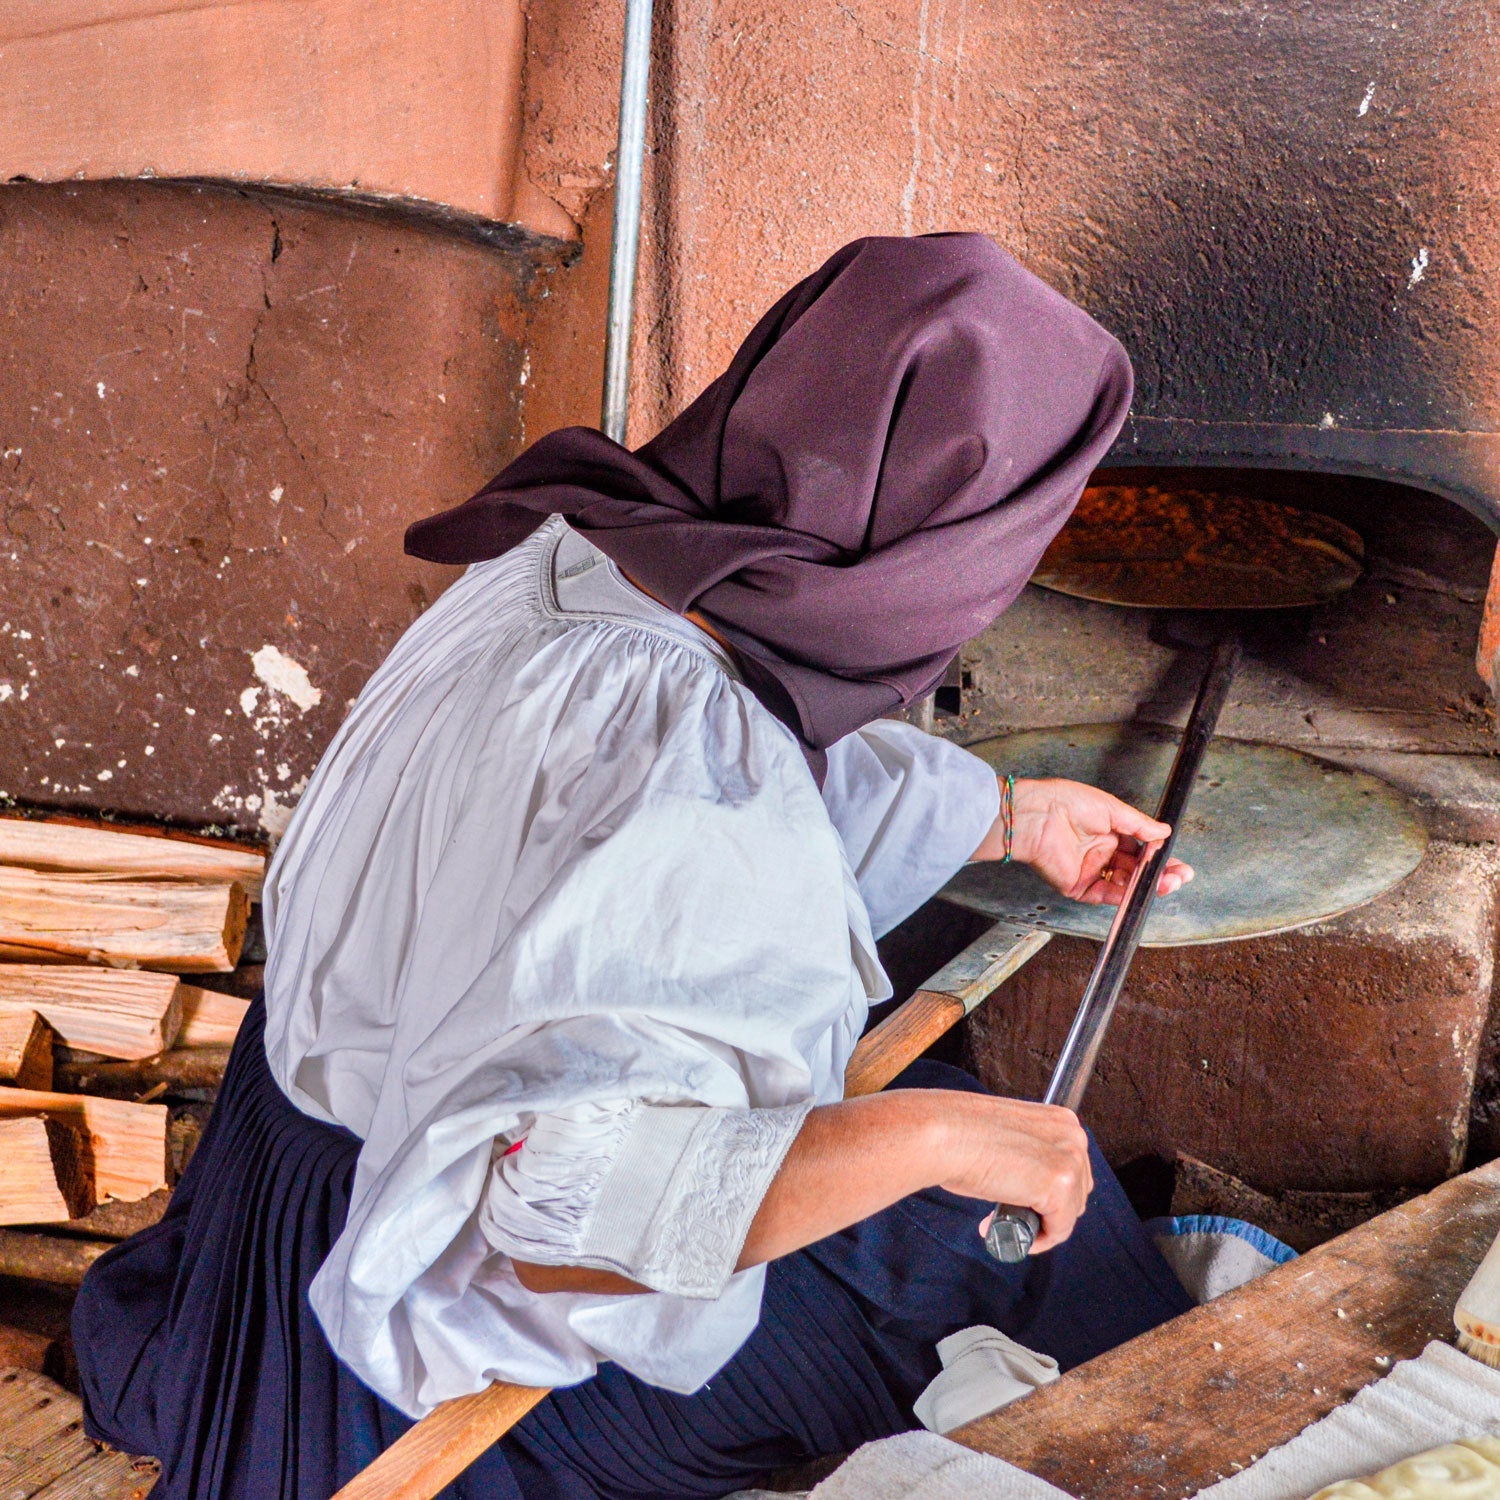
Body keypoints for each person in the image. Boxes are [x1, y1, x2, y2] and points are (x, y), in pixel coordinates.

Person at [74, 233, 1198, 1499]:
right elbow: (560, 1222)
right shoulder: (691, 755)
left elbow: (655, 807)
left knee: (929, 1164)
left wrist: (1003, 813)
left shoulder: (577, 558)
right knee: (1021, 1242)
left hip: (283, 1192)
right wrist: (931, 1136)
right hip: (416, 1318)